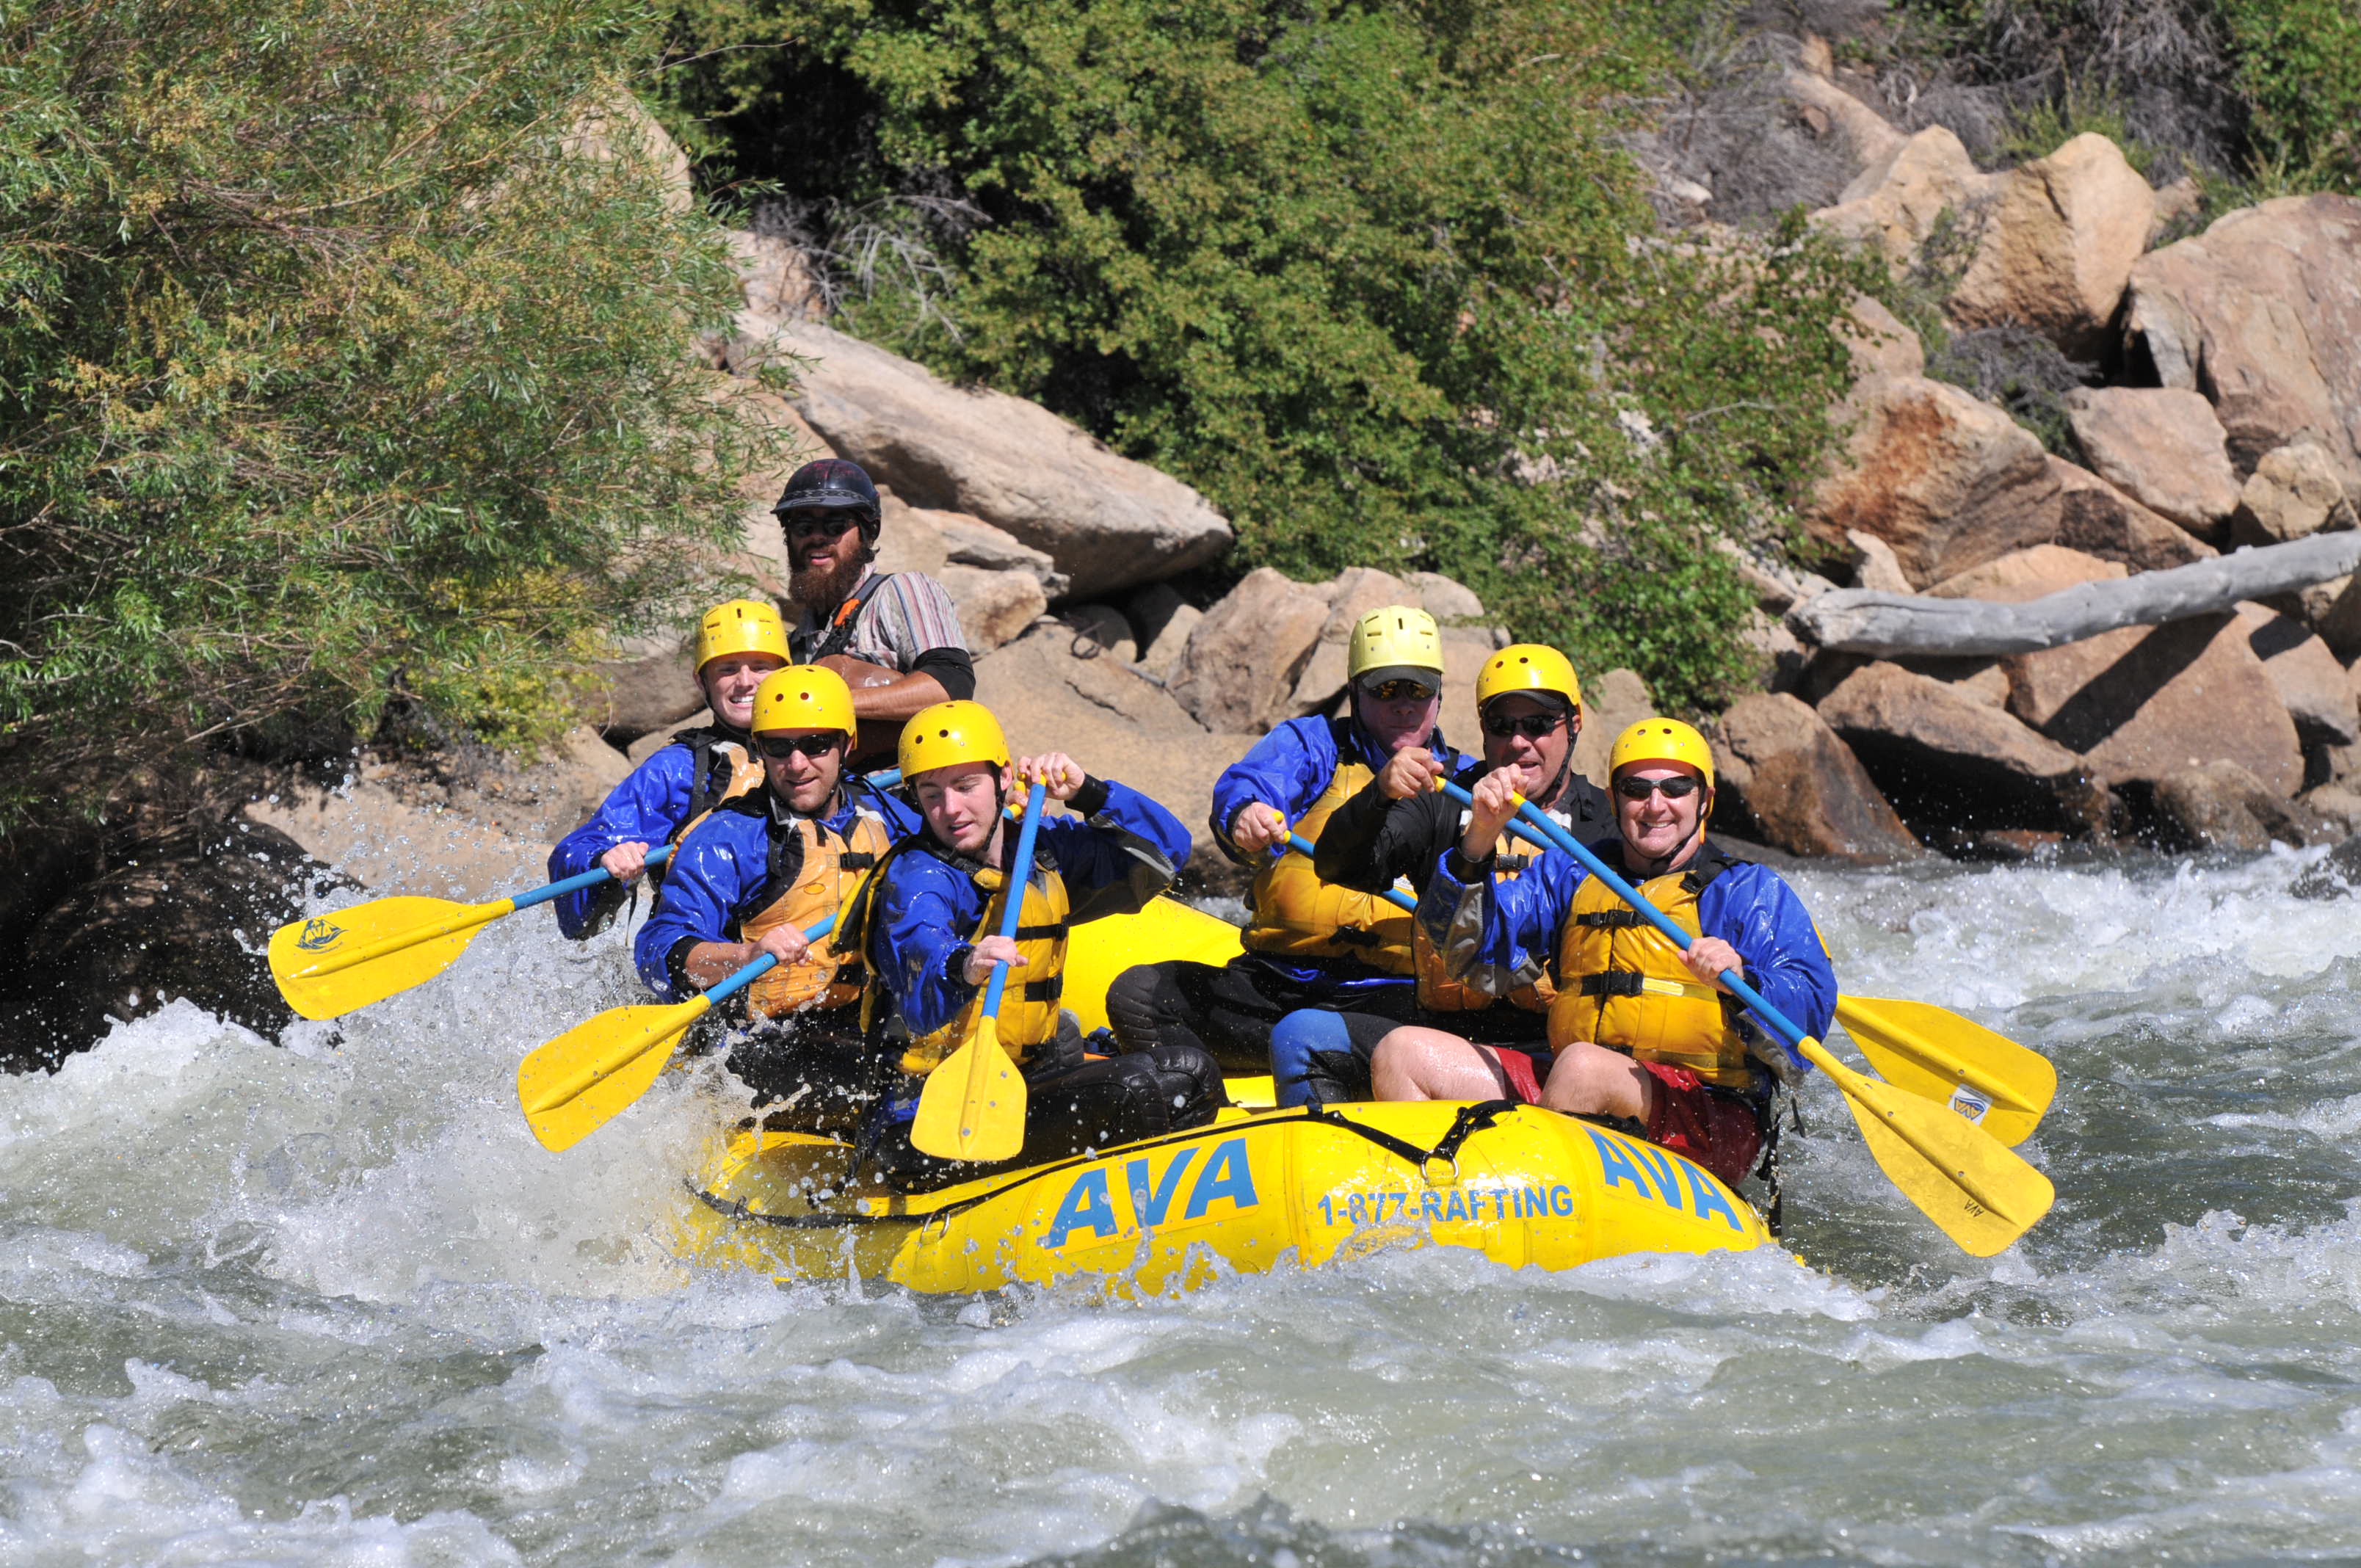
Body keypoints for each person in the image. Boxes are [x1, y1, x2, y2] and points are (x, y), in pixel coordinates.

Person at [1369, 719, 1835, 1192]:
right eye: (1636, 789)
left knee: (1583, 1068)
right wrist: (1480, 839)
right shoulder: (1573, 873)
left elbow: (1807, 1022)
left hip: (1706, 1114)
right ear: (1614, 801)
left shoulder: (1747, 891)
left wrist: (1745, 981)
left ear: (1705, 800)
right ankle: (1428, 1205)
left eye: (1676, 788)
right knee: (1402, 1052)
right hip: (1572, 1092)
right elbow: (1468, 957)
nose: (1656, 806)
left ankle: (1535, 1206)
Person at [858, 700, 1226, 1192]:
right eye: (932, 794)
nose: (950, 809)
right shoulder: (918, 878)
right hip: (927, 1119)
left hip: (1018, 1087)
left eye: (966, 786)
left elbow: (1168, 852)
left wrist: (1089, 794)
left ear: (1005, 778)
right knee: (1174, 1078)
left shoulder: (1040, 846)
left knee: (1150, 1061)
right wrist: (965, 964)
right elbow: (921, 955)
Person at [1103, 607, 1468, 1074]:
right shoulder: (1314, 745)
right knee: (1142, 995)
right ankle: (1200, 1101)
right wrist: (1247, 815)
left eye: (1418, 689)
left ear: (1438, 696)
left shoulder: (1465, 785)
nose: (1404, 704)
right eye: (1386, 688)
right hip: (1278, 984)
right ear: (1356, 691)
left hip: (1392, 1002)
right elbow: (1253, 784)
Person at [1267, 644, 1613, 1104]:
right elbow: (1338, 865)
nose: (1518, 741)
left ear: (1572, 726)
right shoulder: (1445, 801)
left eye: (1538, 725)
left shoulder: (1607, 825)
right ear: (1484, 731)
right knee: (1300, 1035)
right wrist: (1381, 795)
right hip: (1437, 1039)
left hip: (1552, 1057)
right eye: (1502, 725)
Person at [630, 667, 921, 1124]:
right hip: (761, 1044)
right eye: (779, 747)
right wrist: (746, 955)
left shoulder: (884, 815)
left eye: (816, 744)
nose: (797, 763)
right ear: (761, 750)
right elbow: (657, 951)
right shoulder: (729, 837)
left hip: (863, 1023)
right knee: (893, 1081)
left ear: (847, 744)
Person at [548, 598, 791, 939]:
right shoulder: (679, 768)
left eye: (761, 666)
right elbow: (577, 850)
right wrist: (604, 858)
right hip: (708, 956)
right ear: (701, 682)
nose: (746, 681)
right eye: (727, 669)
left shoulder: (822, 752)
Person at [773, 458, 974, 766]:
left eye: (835, 525)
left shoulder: (904, 589)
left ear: (869, 532)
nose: (817, 536)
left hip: (906, 792)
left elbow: (950, 686)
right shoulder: (799, 639)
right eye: (803, 526)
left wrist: (826, 704)